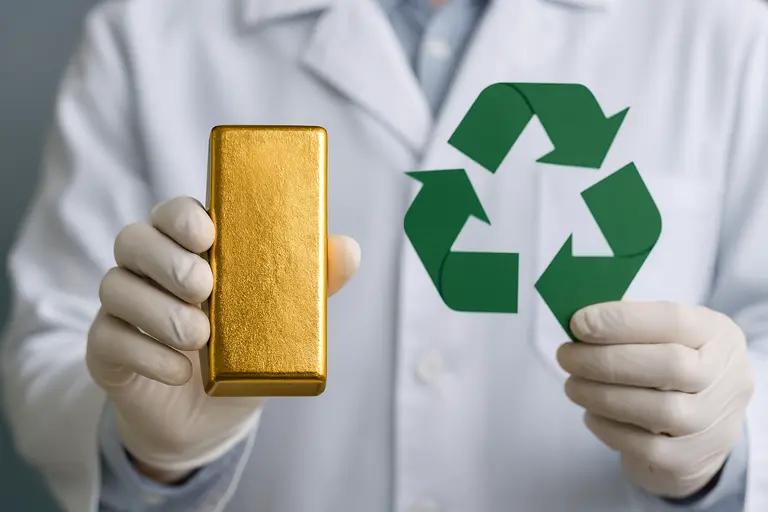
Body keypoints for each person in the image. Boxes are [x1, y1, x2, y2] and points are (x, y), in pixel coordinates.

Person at [2, 0, 768, 510]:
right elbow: (51, 346)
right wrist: (147, 446)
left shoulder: (724, 27)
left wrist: (728, 448)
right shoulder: (153, 28)